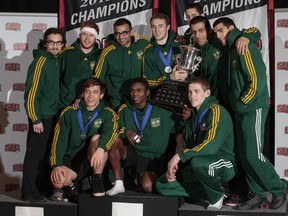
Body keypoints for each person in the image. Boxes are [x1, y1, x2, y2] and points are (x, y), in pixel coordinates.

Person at [213, 17, 287, 210]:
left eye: (221, 31)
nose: (218, 35)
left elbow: (257, 80)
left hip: (252, 108)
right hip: (241, 109)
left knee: (253, 155)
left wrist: (243, 101)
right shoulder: (230, 49)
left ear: (231, 28)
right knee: (245, 156)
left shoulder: (243, 45)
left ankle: (279, 189)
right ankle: (257, 194)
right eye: (216, 32)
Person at [155, 77, 236, 210]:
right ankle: (209, 191)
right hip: (198, 163)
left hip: (224, 163)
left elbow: (210, 146)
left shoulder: (216, 111)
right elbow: (188, 144)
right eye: (189, 92)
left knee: (198, 163)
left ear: (207, 93)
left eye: (196, 91)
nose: (192, 96)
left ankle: (217, 195)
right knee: (162, 184)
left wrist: (179, 156)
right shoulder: (193, 116)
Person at [106, 77, 181, 196]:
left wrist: (187, 117)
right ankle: (119, 183)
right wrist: (125, 132)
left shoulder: (163, 111)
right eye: (132, 91)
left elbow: (179, 126)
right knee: (114, 142)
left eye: (139, 90)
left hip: (150, 157)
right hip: (131, 150)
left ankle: (137, 175)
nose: (135, 94)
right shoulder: (124, 109)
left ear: (147, 92)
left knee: (148, 187)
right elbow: (114, 129)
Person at [49, 78, 118, 201]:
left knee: (98, 139)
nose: (90, 96)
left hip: (93, 158)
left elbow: (111, 133)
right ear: (82, 94)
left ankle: (97, 179)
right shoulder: (69, 112)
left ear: (101, 95)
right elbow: (59, 141)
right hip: (72, 159)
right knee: (58, 180)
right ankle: (70, 186)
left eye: (95, 92)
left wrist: (101, 148)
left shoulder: (108, 113)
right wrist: (56, 165)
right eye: (87, 92)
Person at [22, 27, 65, 202]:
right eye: (51, 42)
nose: (55, 46)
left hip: (52, 115)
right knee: (34, 157)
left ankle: (41, 190)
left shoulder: (55, 59)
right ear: (44, 43)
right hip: (41, 118)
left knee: (45, 156)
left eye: (58, 42)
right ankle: (29, 193)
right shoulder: (40, 62)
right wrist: (35, 119)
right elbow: (31, 95)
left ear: (62, 44)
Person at [94, 18, 149, 110]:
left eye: (124, 33)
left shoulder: (143, 43)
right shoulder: (107, 52)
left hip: (141, 99)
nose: (121, 37)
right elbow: (97, 79)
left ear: (131, 32)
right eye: (117, 33)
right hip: (118, 101)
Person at [59, 20, 101, 109]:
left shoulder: (101, 55)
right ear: (79, 35)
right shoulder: (66, 53)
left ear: (96, 38)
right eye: (84, 34)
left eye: (91, 35)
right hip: (66, 103)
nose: (87, 39)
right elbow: (55, 79)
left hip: (90, 104)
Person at [142, 12, 188, 88]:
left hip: (180, 93)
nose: (156, 30)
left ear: (168, 27)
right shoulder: (148, 51)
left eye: (160, 26)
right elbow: (147, 80)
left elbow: (191, 74)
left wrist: (185, 75)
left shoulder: (180, 46)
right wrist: (169, 77)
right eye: (153, 27)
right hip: (159, 96)